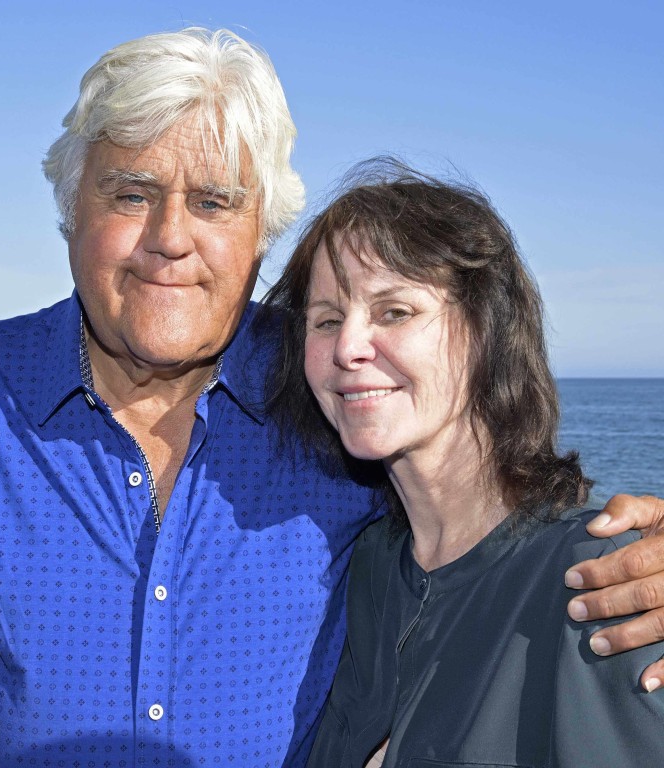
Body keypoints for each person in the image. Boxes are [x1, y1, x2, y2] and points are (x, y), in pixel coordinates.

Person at [0, 28, 663, 768]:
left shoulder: (330, 390)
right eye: (132, 194)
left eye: (214, 202)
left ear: (262, 231)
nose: (170, 237)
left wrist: (636, 552)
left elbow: (480, 529)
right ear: (70, 213)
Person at [263, 159, 664, 767]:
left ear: (485, 329)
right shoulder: (364, 571)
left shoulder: (600, 583)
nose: (348, 347)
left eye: (395, 311)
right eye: (327, 320)